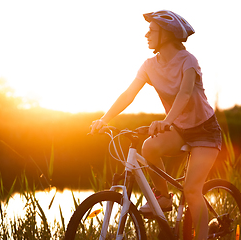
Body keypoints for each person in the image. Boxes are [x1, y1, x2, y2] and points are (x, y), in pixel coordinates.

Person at [90, 10, 222, 240]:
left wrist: (166, 121)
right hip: (180, 128)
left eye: (151, 31)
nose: (146, 35)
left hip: (205, 130)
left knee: (192, 189)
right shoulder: (149, 65)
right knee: (149, 147)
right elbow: (128, 94)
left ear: (167, 34)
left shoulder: (188, 60)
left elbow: (185, 93)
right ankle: (164, 196)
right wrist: (105, 118)